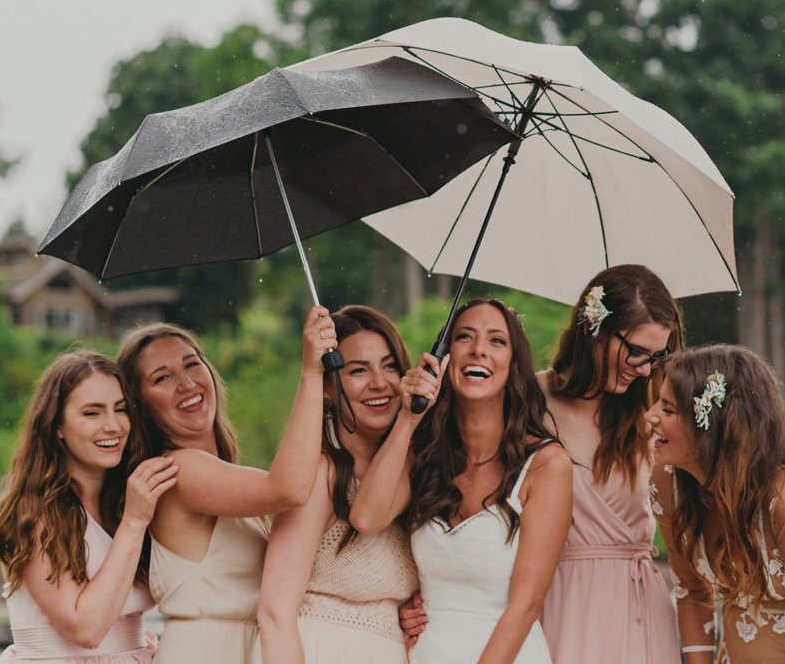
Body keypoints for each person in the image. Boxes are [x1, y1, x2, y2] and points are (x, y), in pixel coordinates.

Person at [351, 297, 573, 664]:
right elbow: (366, 519)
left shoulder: (546, 465)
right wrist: (408, 417)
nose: (479, 350)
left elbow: (525, 606)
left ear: (513, 362)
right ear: (443, 357)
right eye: (464, 337)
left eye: (496, 341)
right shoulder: (422, 452)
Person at [116, 308, 337, 664]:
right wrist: (311, 372)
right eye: (162, 378)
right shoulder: (179, 471)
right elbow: (289, 489)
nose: (186, 383)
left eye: (192, 364)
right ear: (142, 409)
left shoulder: (223, 479)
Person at [649, 344, 785, 664]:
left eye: (667, 409)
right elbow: (692, 592)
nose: (650, 415)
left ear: (710, 426)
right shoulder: (667, 482)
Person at [0, 349, 178, 664]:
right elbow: (85, 629)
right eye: (93, 413)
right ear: (56, 425)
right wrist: (134, 521)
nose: (113, 425)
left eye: (120, 409)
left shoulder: (124, 499)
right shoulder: (34, 509)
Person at [535, 265, 684, 664]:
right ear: (593, 327)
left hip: (638, 611)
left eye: (657, 357)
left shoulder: (653, 413)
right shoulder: (528, 400)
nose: (645, 369)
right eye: (635, 351)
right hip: (552, 601)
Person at [257, 306, 420, 664]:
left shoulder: (416, 468)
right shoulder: (319, 475)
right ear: (328, 388)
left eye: (390, 365)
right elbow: (274, 613)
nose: (380, 383)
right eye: (358, 370)